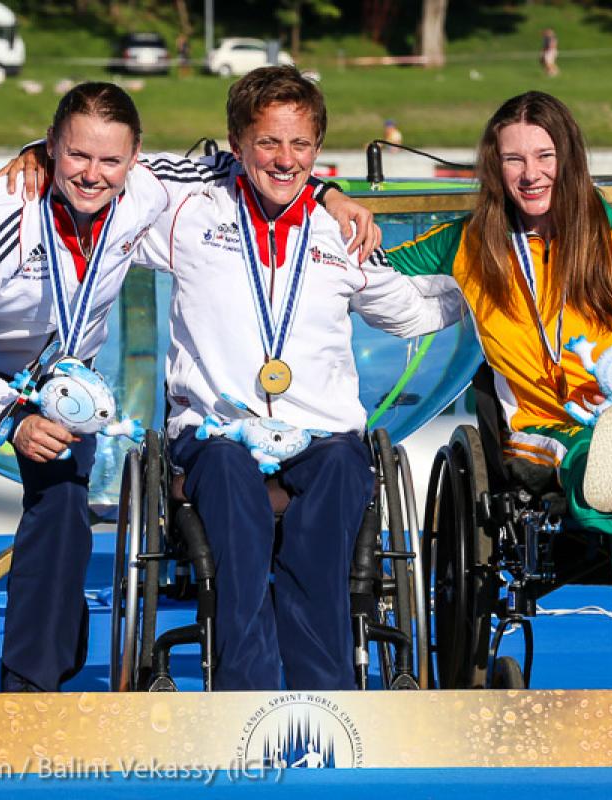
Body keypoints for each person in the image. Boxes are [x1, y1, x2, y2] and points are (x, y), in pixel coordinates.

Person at [0, 81, 261, 694]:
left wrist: (328, 192)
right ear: (53, 146)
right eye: (77, 156)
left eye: (111, 160)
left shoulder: (145, 187)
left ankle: (35, 689)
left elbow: (235, 165)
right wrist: (8, 418)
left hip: (58, 376)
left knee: (63, 515)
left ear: (136, 156)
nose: (93, 175)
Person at [132, 66, 465, 690]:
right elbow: (111, 170)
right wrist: (41, 158)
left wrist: (486, 282)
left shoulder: (341, 232)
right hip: (217, 433)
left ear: (318, 152)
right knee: (229, 473)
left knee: (345, 468)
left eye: (301, 146)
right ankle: (248, 689)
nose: (285, 161)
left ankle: (324, 690)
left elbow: (412, 312)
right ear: (236, 144)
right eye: (267, 143)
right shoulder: (188, 215)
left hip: (320, 435)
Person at [387, 91, 612, 690]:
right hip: (543, 429)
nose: (531, 173)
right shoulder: (466, 244)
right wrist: (332, 206)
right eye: (514, 159)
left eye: (544, 155)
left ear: (571, 159)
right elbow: (373, 269)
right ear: (494, 167)